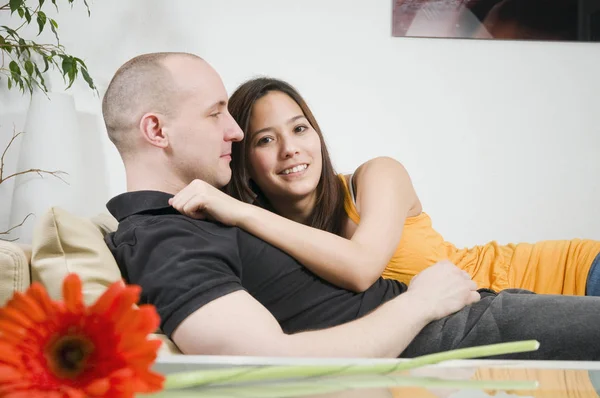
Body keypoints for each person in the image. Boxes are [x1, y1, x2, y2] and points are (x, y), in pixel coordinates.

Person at [102, 51, 600, 361]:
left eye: (300, 128)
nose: (231, 133)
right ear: (156, 130)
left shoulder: (207, 211)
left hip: (529, 281)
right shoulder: (163, 236)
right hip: (451, 321)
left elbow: (356, 270)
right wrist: (420, 302)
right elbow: (267, 360)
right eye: (217, 115)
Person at [172, 76, 600, 296]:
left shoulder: (377, 176)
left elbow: (361, 268)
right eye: (266, 139)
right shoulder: (262, 239)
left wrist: (241, 210)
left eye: (300, 129)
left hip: (571, 277)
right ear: (246, 163)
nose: (291, 149)